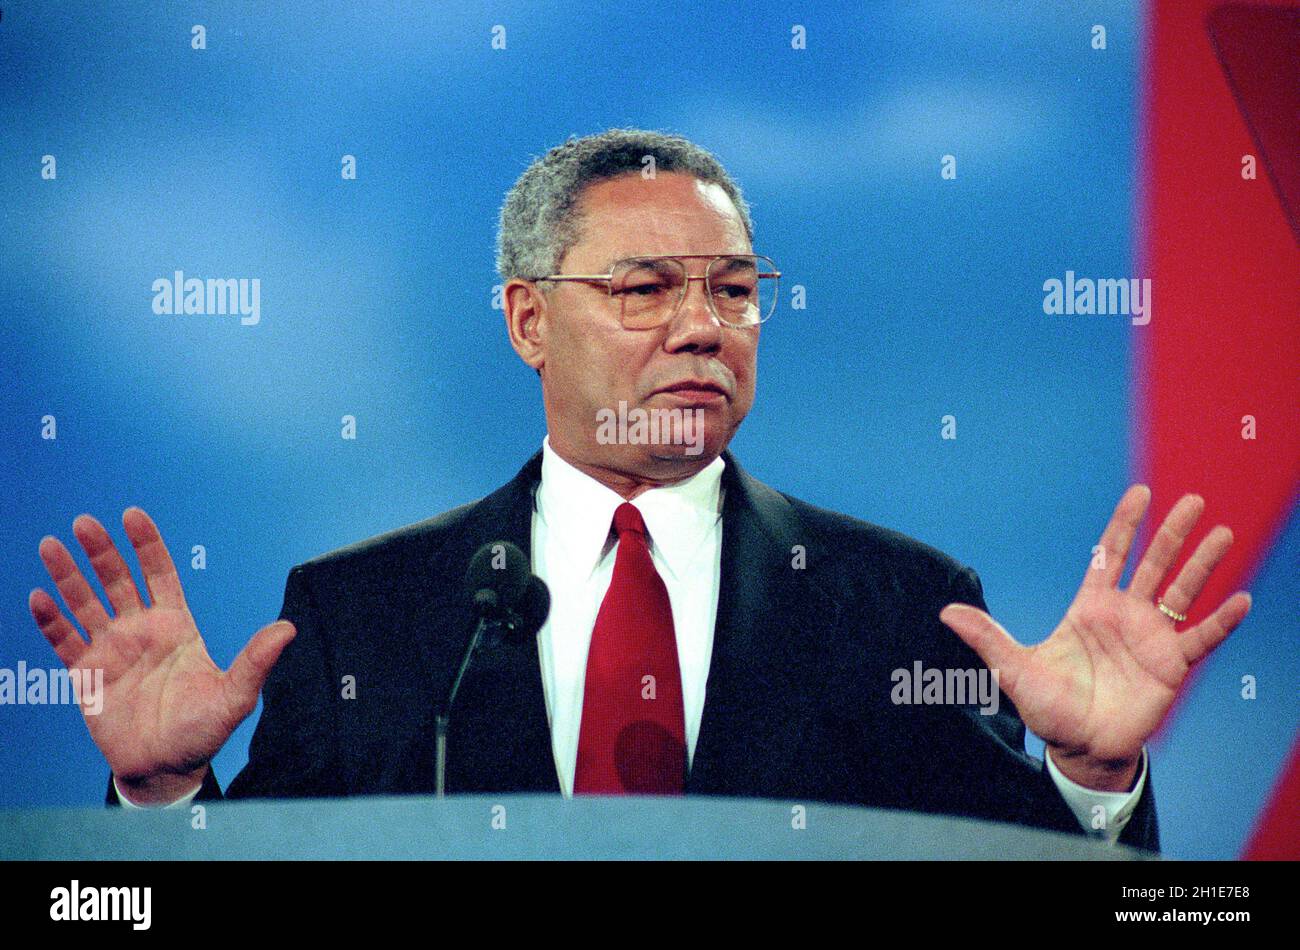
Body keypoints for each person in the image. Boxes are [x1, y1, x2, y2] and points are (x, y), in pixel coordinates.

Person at [29, 129, 1251, 851]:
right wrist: (160, 794)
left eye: (732, 288)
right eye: (646, 288)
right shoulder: (360, 611)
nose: (702, 326)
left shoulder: (898, 605)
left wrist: (1090, 782)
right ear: (526, 319)